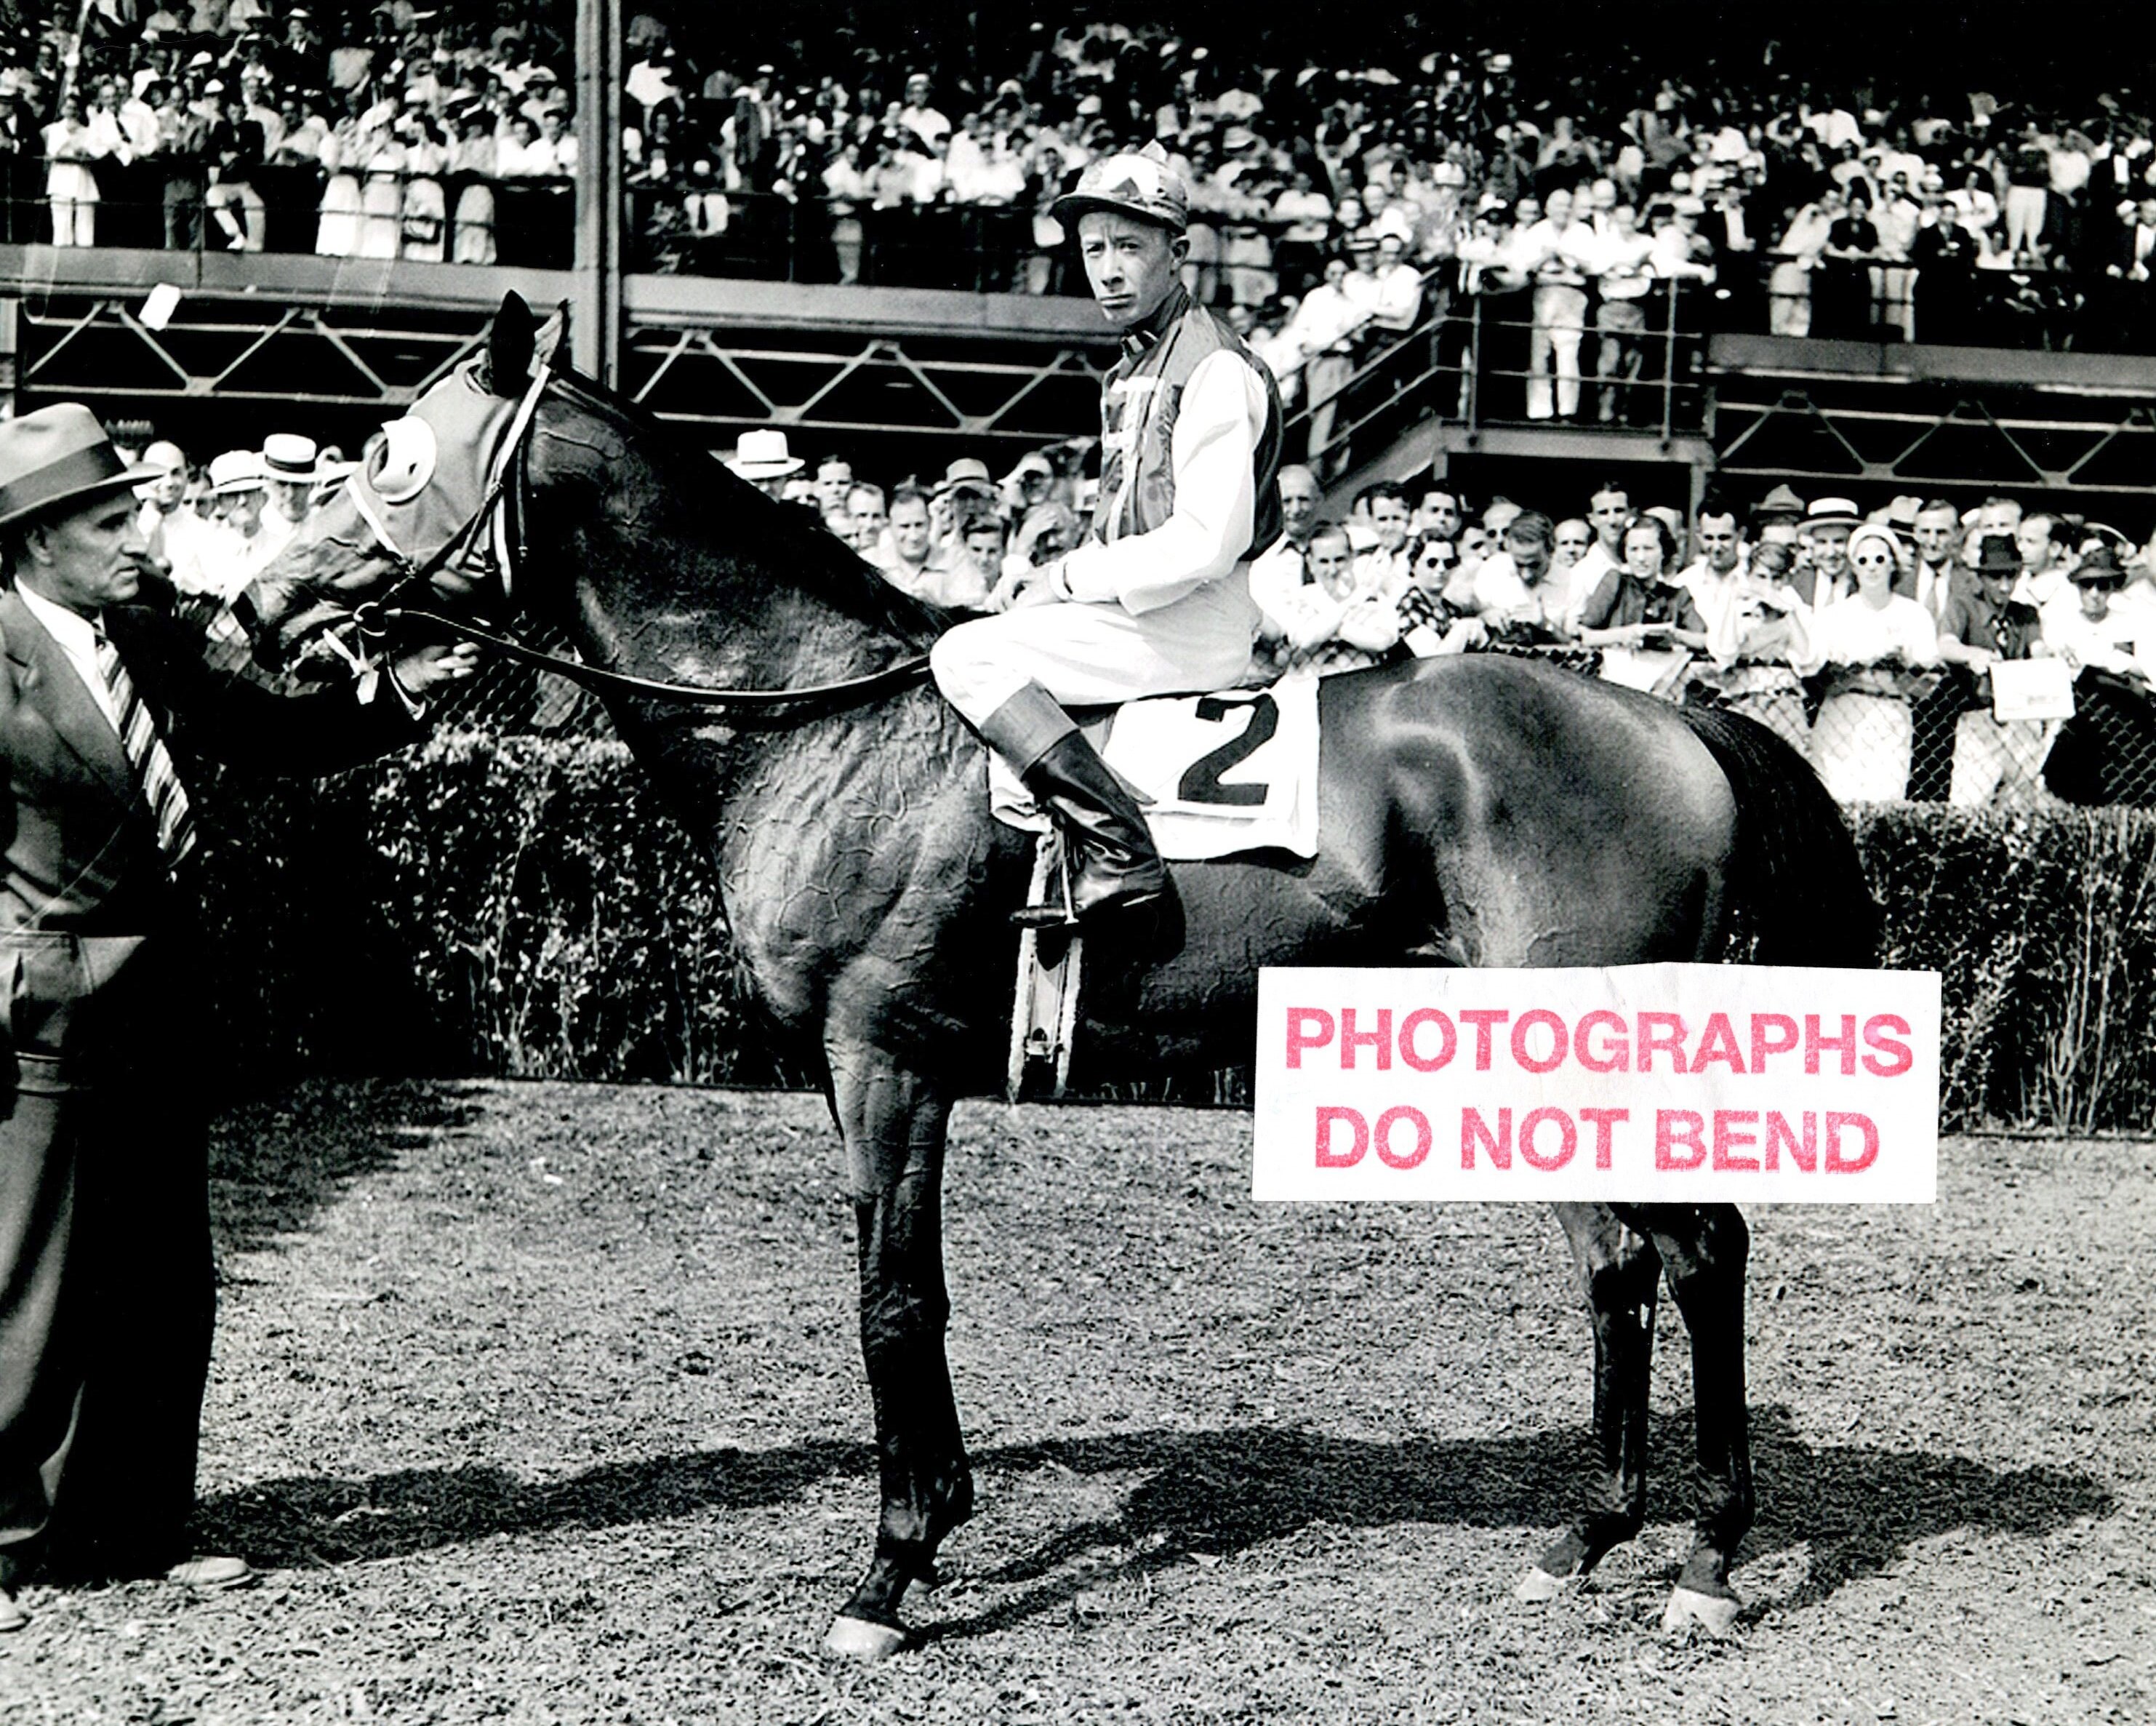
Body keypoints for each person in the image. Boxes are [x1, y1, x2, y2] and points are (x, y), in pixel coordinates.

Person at [0, 404, 476, 1631]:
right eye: (109, 519)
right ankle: (6, 1540)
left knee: (164, 1280)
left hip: (161, 1005)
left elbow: (267, 730)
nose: (135, 533)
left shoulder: (140, 639)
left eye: (131, 511)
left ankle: (136, 1526)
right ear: (37, 539)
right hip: (39, 1017)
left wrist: (401, 696)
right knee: (29, 1284)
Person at [929, 145, 1283, 927]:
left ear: (1177, 253)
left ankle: (1122, 852)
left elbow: (1201, 547)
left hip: (1188, 622)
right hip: (1155, 610)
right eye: (1094, 250)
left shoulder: (1213, 366)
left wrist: (1063, 579)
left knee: (964, 655)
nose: (1109, 270)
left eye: (1130, 246)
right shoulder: (1134, 366)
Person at [1808, 522, 1942, 802]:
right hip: (1841, 718)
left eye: (1880, 559)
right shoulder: (1833, 616)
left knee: (1885, 802)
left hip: (1891, 717)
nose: (1872, 567)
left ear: (1893, 564)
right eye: (1863, 560)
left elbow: (1925, 684)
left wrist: (1895, 669)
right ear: (1853, 566)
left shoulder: (1914, 615)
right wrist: (1861, 674)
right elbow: (1823, 681)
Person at [1939, 535, 2048, 808]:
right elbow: (1945, 643)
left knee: (2021, 801)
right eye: (1996, 578)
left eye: (2011, 577)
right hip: (1979, 715)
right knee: (1969, 802)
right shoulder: (1963, 605)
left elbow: (2038, 649)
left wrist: (2046, 660)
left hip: (2020, 718)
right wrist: (1972, 654)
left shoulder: (2025, 614)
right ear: (1982, 578)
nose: (2004, 586)